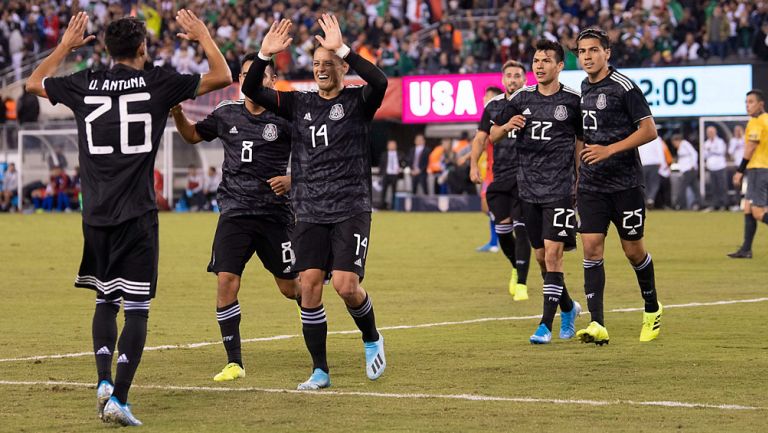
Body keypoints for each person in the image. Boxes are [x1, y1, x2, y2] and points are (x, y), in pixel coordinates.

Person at [25, 11, 231, 426]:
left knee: (105, 298)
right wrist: (203, 35)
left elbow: (32, 84)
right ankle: (119, 397)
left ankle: (103, 382)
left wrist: (65, 46)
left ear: (105, 49)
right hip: (136, 212)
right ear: (142, 49)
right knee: (137, 307)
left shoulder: (84, 83)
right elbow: (222, 75)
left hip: (95, 212)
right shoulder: (159, 82)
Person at [242, 16, 387, 390]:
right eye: (317, 64)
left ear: (341, 67)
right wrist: (263, 54)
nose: (321, 69)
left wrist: (344, 49)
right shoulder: (298, 103)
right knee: (308, 286)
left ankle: (371, 337)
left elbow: (380, 81)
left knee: (345, 285)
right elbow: (251, 89)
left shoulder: (358, 101)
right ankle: (320, 370)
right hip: (308, 210)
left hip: (350, 208)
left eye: (329, 63)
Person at [171, 53, 299, 382]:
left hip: (274, 216)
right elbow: (192, 135)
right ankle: (234, 362)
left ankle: (315, 326)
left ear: (271, 81)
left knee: (292, 288)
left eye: (257, 75)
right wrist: (176, 112)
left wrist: (292, 180)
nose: (249, 81)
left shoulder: (286, 117)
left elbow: (315, 156)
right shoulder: (226, 114)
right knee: (226, 281)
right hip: (235, 213)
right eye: (244, 75)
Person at [489, 40, 582, 343]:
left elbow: (581, 144)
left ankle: (544, 325)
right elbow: (493, 135)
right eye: (536, 60)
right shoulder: (520, 98)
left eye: (546, 60)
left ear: (559, 66)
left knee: (554, 256)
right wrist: (506, 127)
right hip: (527, 190)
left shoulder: (572, 101)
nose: (539, 65)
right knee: (542, 258)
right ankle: (567, 307)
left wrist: (580, 181)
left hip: (560, 189)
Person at [574, 28, 662, 345]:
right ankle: (597, 323)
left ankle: (652, 308)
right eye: (582, 51)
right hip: (593, 185)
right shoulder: (582, 88)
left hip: (625, 184)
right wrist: (576, 174)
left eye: (593, 50)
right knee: (591, 247)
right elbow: (582, 138)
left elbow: (649, 130)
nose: (587, 56)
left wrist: (610, 149)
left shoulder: (625, 87)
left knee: (633, 250)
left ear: (607, 53)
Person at [470, 61, 531, 300]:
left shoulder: (532, 103)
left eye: (517, 76)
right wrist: (474, 164)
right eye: (509, 76)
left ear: (525, 80)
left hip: (526, 176)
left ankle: (523, 284)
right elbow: (481, 138)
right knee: (503, 230)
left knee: (521, 227)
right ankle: (516, 267)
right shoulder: (493, 107)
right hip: (500, 176)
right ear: (503, 80)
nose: (513, 79)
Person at [730, 89, 768, 258]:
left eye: (751, 102)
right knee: (747, 208)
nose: (748, 105)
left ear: (761, 104)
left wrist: (739, 171)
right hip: (761, 169)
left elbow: (750, 147)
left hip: (759, 169)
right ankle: (746, 249)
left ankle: (746, 250)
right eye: (746, 102)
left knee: (758, 212)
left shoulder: (756, 122)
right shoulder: (766, 120)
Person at [671, 134, 701, 210]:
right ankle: (701, 204)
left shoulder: (685, 144)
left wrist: (693, 165)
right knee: (695, 188)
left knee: (682, 187)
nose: (674, 145)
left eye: (674, 143)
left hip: (690, 170)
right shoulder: (680, 148)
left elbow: (694, 153)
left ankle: (680, 205)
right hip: (686, 170)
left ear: (678, 140)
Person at [638, 136, 669, 208]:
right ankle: (651, 198)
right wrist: (662, 163)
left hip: (643, 163)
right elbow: (659, 150)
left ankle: (647, 199)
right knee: (654, 183)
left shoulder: (640, 136)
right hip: (654, 163)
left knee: (644, 184)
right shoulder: (656, 137)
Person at [703, 126, 728, 210]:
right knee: (713, 187)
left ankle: (724, 204)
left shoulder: (720, 141)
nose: (710, 134)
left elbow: (721, 152)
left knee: (722, 186)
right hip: (711, 167)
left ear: (715, 132)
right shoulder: (706, 143)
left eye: (711, 132)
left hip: (720, 166)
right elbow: (704, 155)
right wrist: (711, 150)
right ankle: (715, 204)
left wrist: (711, 150)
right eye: (708, 132)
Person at [378, 139, 405, 210]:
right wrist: (381, 175)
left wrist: (401, 169)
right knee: (384, 191)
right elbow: (381, 165)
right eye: (390, 145)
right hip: (386, 174)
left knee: (394, 192)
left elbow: (405, 163)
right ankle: (382, 206)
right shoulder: (384, 154)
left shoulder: (400, 154)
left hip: (395, 175)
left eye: (393, 145)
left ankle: (393, 206)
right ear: (387, 146)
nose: (392, 146)